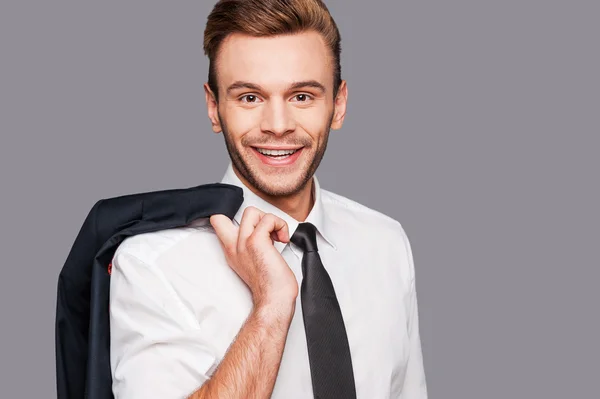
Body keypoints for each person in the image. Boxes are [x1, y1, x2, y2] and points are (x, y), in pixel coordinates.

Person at [108, 0, 428, 398]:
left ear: (338, 104)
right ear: (214, 107)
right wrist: (272, 306)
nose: (277, 126)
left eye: (302, 96)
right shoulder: (151, 267)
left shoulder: (386, 242)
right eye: (250, 98)